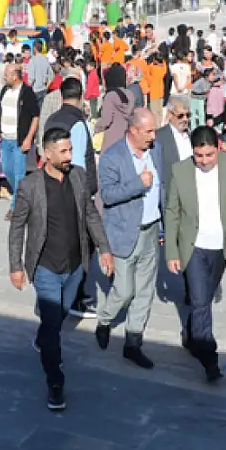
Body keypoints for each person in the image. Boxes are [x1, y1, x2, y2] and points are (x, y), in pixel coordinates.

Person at [8, 127, 110, 411]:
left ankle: (42, 339)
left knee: (61, 315)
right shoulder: (30, 186)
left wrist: (104, 248)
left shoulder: (78, 176)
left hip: (76, 265)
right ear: (47, 154)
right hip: (45, 267)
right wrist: (16, 266)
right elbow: (17, 227)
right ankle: (55, 382)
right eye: (63, 151)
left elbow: (90, 213)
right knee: (54, 325)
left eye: (70, 150)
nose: (69, 156)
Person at [164, 126, 226, 382]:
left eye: (209, 155)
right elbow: (172, 212)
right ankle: (210, 359)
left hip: (222, 247)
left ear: (218, 148)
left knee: (203, 296)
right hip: (192, 246)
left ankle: (192, 334)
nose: (204, 161)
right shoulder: (180, 171)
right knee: (202, 301)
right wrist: (171, 251)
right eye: (199, 155)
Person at [94, 108, 163, 369]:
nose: (153, 136)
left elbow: (163, 188)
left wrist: (163, 228)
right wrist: (138, 183)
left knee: (145, 290)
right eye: (149, 131)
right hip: (123, 233)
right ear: (133, 130)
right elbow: (109, 196)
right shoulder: (112, 157)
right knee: (124, 290)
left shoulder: (155, 151)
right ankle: (104, 320)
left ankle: (133, 342)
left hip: (150, 230)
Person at [0, 63, 40, 219]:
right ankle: (24, 194)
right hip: (5, 139)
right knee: (8, 170)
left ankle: (15, 207)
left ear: (15, 76)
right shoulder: (4, 91)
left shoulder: (27, 93)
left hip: (19, 140)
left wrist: (29, 138)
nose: (4, 77)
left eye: (7, 74)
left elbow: (36, 116)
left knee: (19, 173)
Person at [95, 63, 133, 154]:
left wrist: (96, 128)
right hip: (127, 137)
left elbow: (106, 120)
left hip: (111, 139)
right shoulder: (130, 94)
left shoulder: (110, 96)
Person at [24, 42, 52, 107]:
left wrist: (28, 88)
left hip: (35, 90)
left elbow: (32, 78)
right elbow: (51, 75)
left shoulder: (32, 60)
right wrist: (47, 86)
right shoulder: (46, 59)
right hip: (43, 89)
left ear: (34, 48)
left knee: (34, 113)